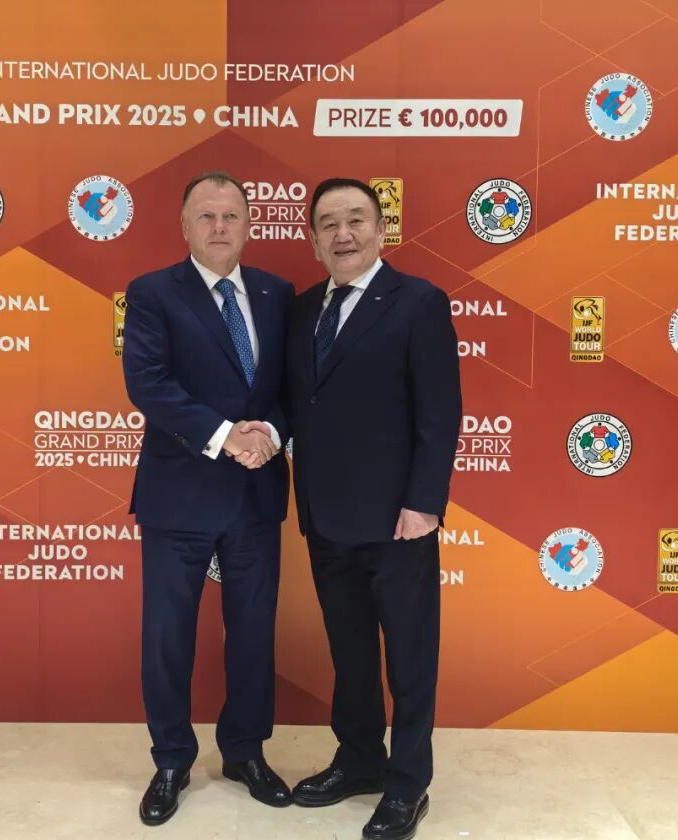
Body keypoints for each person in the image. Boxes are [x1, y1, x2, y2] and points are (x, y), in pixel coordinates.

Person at [284, 178, 462, 840]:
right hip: (327, 518)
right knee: (351, 652)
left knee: (410, 661)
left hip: (398, 522)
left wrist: (424, 504)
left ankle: (408, 784)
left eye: (356, 219)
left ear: (382, 230)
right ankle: (360, 760)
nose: (343, 234)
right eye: (328, 223)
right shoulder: (304, 309)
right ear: (313, 240)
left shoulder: (418, 302)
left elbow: (440, 414)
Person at [122, 171, 295, 826]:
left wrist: (270, 433)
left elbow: (294, 385)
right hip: (179, 493)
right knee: (168, 635)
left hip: (257, 491)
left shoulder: (278, 294)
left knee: (253, 631)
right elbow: (148, 383)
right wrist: (226, 437)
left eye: (231, 215)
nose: (219, 227)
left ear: (249, 224)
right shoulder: (152, 292)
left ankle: (245, 752)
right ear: (185, 226)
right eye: (206, 216)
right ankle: (171, 759)